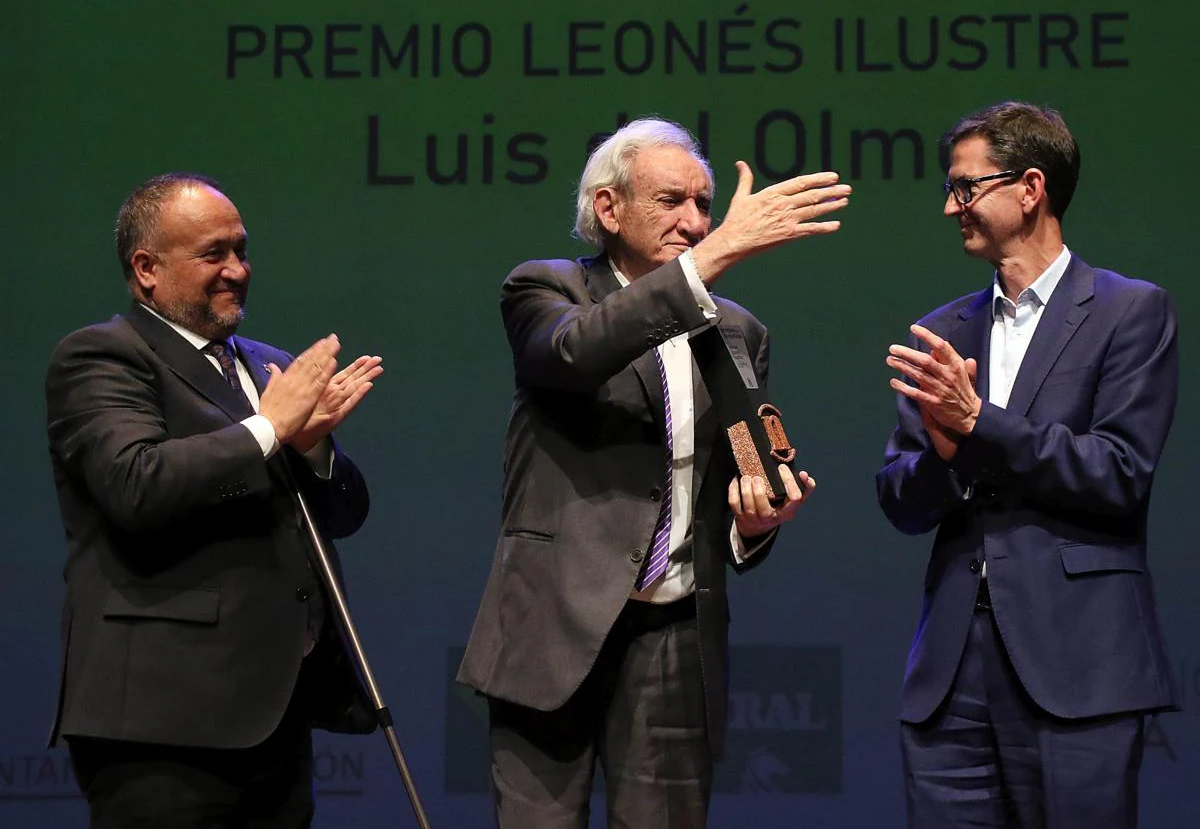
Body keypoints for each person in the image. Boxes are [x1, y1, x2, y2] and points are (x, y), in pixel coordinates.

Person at [458, 117, 851, 827]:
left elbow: (739, 476)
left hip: (674, 634)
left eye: (704, 205)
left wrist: (755, 524)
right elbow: (573, 356)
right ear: (608, 210)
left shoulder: (738, 330)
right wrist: (712, 261)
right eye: (673, 201)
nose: (697, 221)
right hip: (554, 626)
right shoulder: (546, 290)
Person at [45, 172, 384, 827]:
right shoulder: (103, 356)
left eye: (241, 250)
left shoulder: (268, 367)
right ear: (146, 269)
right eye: (213, 254)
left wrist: (311, 449)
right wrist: (267, 430)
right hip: (162, 723)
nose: (236, 270)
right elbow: (135, 484)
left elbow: (342, 515)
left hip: (276, 714)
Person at [877, 102, 1178, 828]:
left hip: (1077, 664)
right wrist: (945, 456)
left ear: (1030, 188)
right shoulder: (945, 330)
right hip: (952, 673)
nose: (952, 206)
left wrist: (980, 422)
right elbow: (899, 496)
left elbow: (1117, 473)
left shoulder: (1129, 313)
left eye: (966, 187)